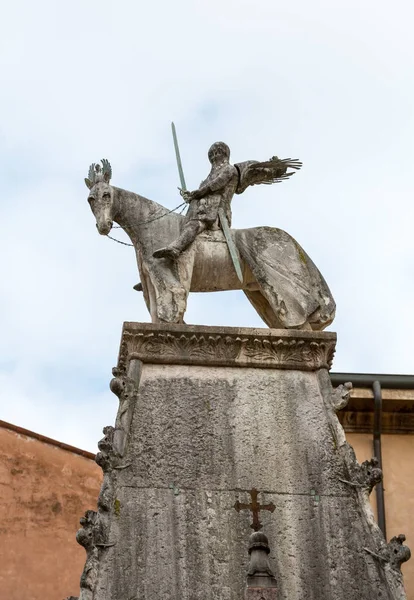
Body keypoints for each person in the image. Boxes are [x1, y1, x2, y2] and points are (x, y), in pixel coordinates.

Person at [153, 141, 238, 260]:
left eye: (217, 153)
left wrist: (197, 193)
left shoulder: (230, 169)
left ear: (225, 154)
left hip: (216, 212)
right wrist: (191, 196)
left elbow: (216, 185)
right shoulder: (208, 177)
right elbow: (203, 192)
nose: (214, 156)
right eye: (211, 154)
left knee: (194, 224)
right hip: (203, 209)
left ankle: (176, 248)